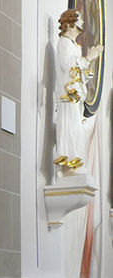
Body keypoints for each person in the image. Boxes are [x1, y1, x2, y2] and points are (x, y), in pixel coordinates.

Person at [54, 9, 103, 178]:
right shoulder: (64, 43)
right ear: (71, 22)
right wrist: (88, 58)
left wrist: (86, 72)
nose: (82, 22)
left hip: (75, 98)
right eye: (80, 19)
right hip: (67, 97)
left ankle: (74, 164)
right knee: (69, 129)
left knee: (76, 131)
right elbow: (68, 67)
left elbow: (76, 70)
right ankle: (67, 166)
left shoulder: (73, 45)